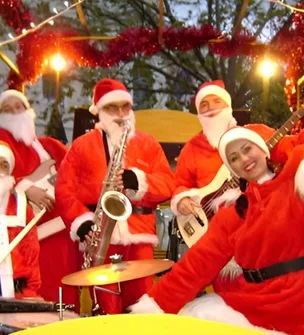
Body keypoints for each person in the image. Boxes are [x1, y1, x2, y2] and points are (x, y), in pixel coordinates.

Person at [129, 124, 304, 334]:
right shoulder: (233, 213)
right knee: (194, 317)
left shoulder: (299, 186)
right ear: (231, 168)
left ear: (264, 150)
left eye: (247, 149)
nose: (244, 160)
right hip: (251, 303)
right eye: (234, 158)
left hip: (299, 305)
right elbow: (197, 264)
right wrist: (153, 307)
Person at [55, 78, 176, 314]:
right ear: (99, 111)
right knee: (105, 308)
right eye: (112, 108)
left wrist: (139, 181)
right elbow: (63, 189)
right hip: (99, 234)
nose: (121, 114)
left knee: (142, 305)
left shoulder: (148, 143)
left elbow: (168, 185)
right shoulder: (81, 146)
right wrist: (81, 223)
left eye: (125, 107)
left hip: (140, 234)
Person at [171, 80, 304, 217]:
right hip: (211, 231)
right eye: (204, 105)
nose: (211, 108)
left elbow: (293, 146)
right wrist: (181, 200)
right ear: (199, 113)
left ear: (228, 106)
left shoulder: (255, 133)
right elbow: (179, 184)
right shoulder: (192, 149)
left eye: (216, 101)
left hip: (257, 219)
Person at [0, 90, 80, 305]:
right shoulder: (2, 144)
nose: (14, 112)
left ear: (29, 111)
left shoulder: (50, 146)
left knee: (65, 296)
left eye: (19, 107)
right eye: (7, 109)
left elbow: (77, 174)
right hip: (25, 239)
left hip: (61, 235)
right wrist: (25, 187)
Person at [0, 141, 41, 298]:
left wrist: (31, 293)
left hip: (16, 293)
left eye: (5, 166)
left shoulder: (22, 209)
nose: (0, 172)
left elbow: (31, 257)